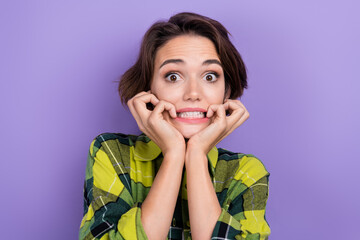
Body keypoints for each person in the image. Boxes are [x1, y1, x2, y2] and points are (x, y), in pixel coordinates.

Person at [79, 12, 270, 240]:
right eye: (173, 77)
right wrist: (174, 154)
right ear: (149, 90)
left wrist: (197, 154)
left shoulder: (246, 173)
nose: (193, 94)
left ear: (226, 92)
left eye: (209, 77)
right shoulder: (112, 153)